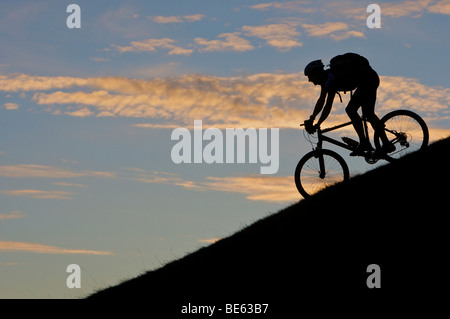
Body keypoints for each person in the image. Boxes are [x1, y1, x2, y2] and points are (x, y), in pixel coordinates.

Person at [303, 53, 395, 156]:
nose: (311, 81)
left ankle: (384, 144)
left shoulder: (331, 79)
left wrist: (318, 124)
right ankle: (366, 142)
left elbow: (327, 106)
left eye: (311, 77)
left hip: (368, 79)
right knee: (353, 110)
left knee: (365, 112)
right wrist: (312, 118)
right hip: (365, 81)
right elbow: (321, 100)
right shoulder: (327, 80)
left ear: (317, 73)